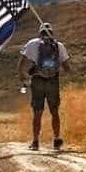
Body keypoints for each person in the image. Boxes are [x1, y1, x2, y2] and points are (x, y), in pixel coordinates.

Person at [18, 22, 72, 151]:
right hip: (53, 81)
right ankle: (56, 140)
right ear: (51, 32)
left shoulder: (32, 44)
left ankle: (36, 142)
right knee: (54, 112)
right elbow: (67, 68)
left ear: (39, 33)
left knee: (37, 113)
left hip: (37, 81)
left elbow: (21, 64)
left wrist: (24, 76)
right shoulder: (59, 46)